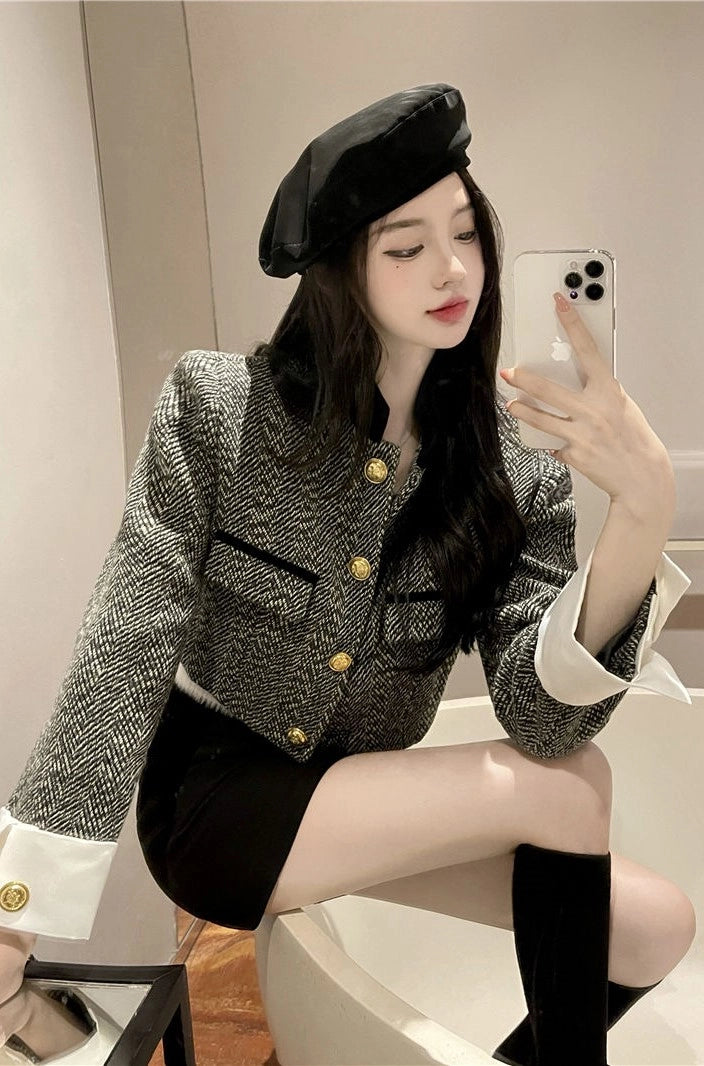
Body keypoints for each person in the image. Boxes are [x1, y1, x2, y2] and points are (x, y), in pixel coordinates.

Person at [0, 83, 696, 1065]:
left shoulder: (513, 468)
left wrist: (641, 515)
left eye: (466, 233)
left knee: (656, 926)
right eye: (406, 248)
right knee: (574, 788)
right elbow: (123, 648)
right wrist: (15, 913)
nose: (453, 268)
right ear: (340, 273)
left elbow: (542, 722)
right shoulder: (219, 412)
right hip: (215, 802)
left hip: (355, 796)